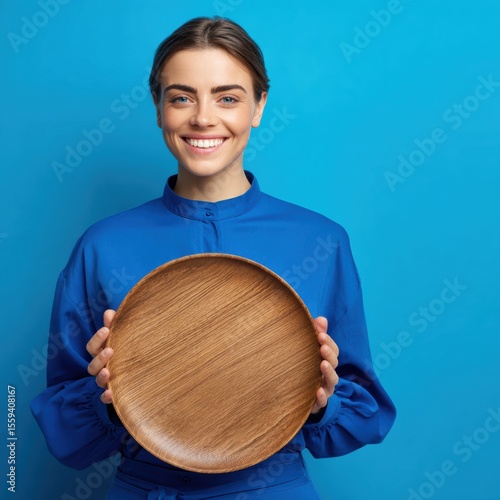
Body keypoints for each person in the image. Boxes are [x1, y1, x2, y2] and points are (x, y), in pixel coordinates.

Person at [31, 17, 396, 499]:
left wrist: (321, 402)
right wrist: (105, 399)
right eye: (181, 97)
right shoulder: (102, 245)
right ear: (158, 108)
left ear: (259, 106)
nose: (203, 118)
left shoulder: (321, 242)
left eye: (228, 97)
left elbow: (365, 409)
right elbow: (65, 431)